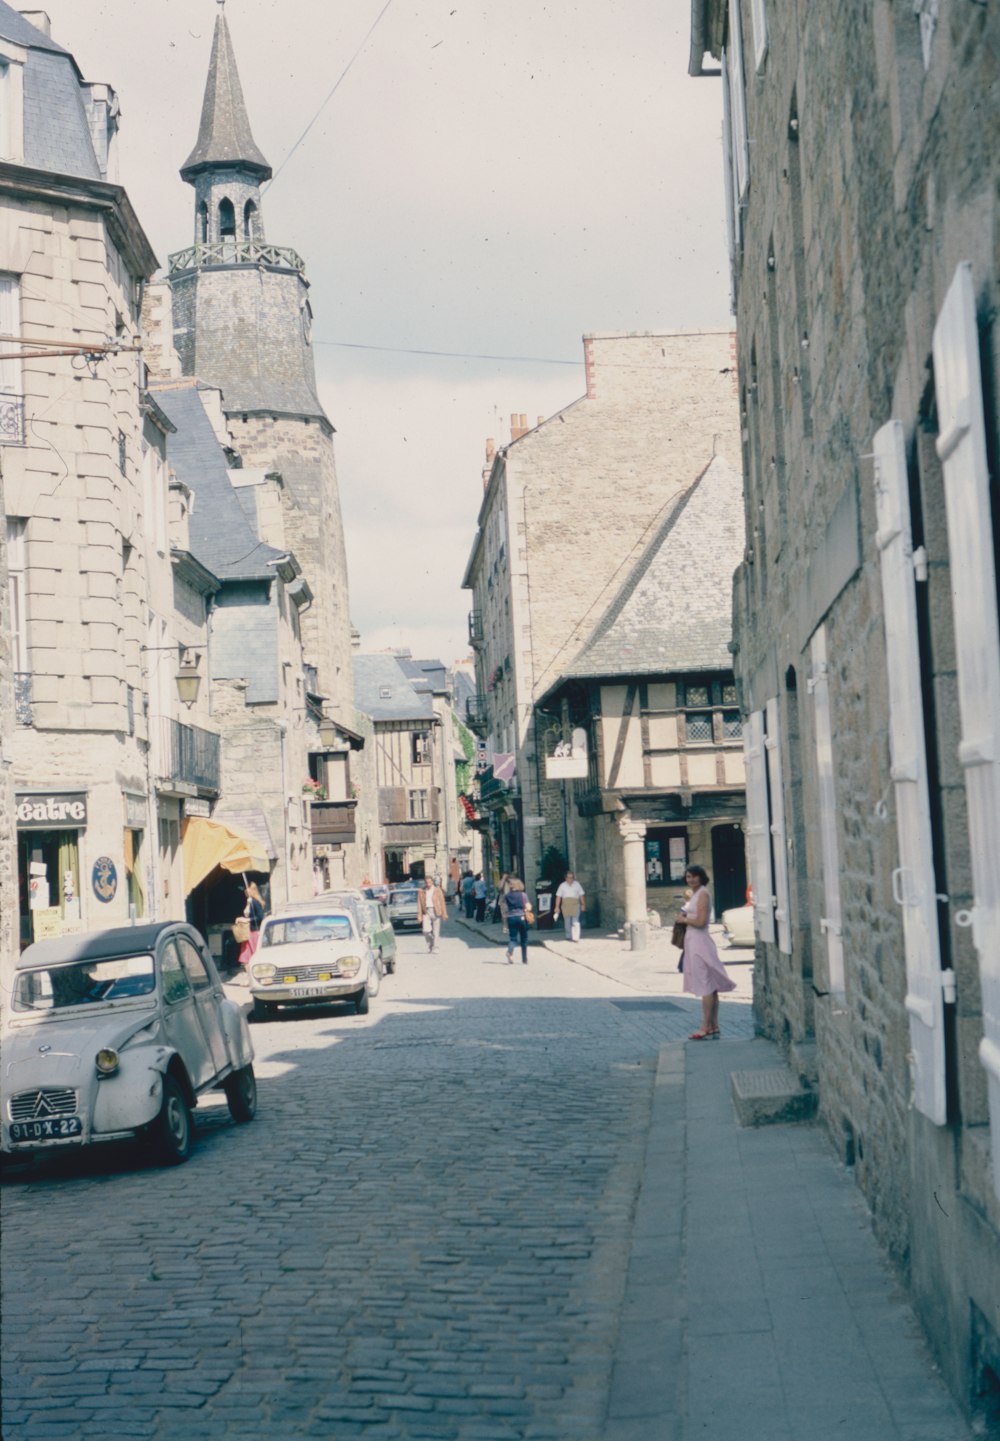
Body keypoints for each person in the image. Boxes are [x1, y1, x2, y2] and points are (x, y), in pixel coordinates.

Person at [677, 865, 736, 1039]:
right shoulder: (696, 894)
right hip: (694, 941)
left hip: (699, 942)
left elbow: (701, 921)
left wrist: (683, 919)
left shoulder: (702, 894)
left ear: (702, 877)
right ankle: (713, 1025)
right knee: (710, 984)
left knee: (705, 985)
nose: (691, 879)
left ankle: (705, 1026)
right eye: (688, 877)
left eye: (695, 876)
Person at [238, 881, 266, 969]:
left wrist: (248, 919)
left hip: (253, 932)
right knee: (247, 958)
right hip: (248, 932)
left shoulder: (254, 902)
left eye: (246, 889)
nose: (245, 891)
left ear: (250, 890)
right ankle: (249, 977)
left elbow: (260, 916)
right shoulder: (250, 901)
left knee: (251, 956)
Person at [417, 874, 447, 953]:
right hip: (426, 912)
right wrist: (419, 915)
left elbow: (442, 902)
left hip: (436, 911)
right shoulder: (422, 891)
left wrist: (444, 914)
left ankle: (435, 948)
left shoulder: (437, 890)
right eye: (426, 882)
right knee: (425, 931)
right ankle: (431, 944)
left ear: (432, 882)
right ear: (425, 882)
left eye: (429, 882)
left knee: (436, 931)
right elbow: (419, 904)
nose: (428, 884)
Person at [553, 871, 585, 941]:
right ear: (566, 878)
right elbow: (558, 896)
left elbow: (581, 895)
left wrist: (582, 904)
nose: (570, 879)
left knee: (575, 921)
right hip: (566, 905)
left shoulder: (577, 884)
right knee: (567, 922)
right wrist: (557, 907)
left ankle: (576, 937)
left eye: (572, 878)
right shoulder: (562, 885)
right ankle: (568, 935)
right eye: (568, 877)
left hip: (575, 905)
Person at [504, 878, 530, 964]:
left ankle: (510, 952)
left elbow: (505, 909)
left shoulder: (507, 896)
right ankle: (524, 959)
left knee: (513, 939)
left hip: (511, 917)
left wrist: (505, 923)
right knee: (524, 938)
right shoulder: (523, 895)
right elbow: (528, 907)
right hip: (521, 917)